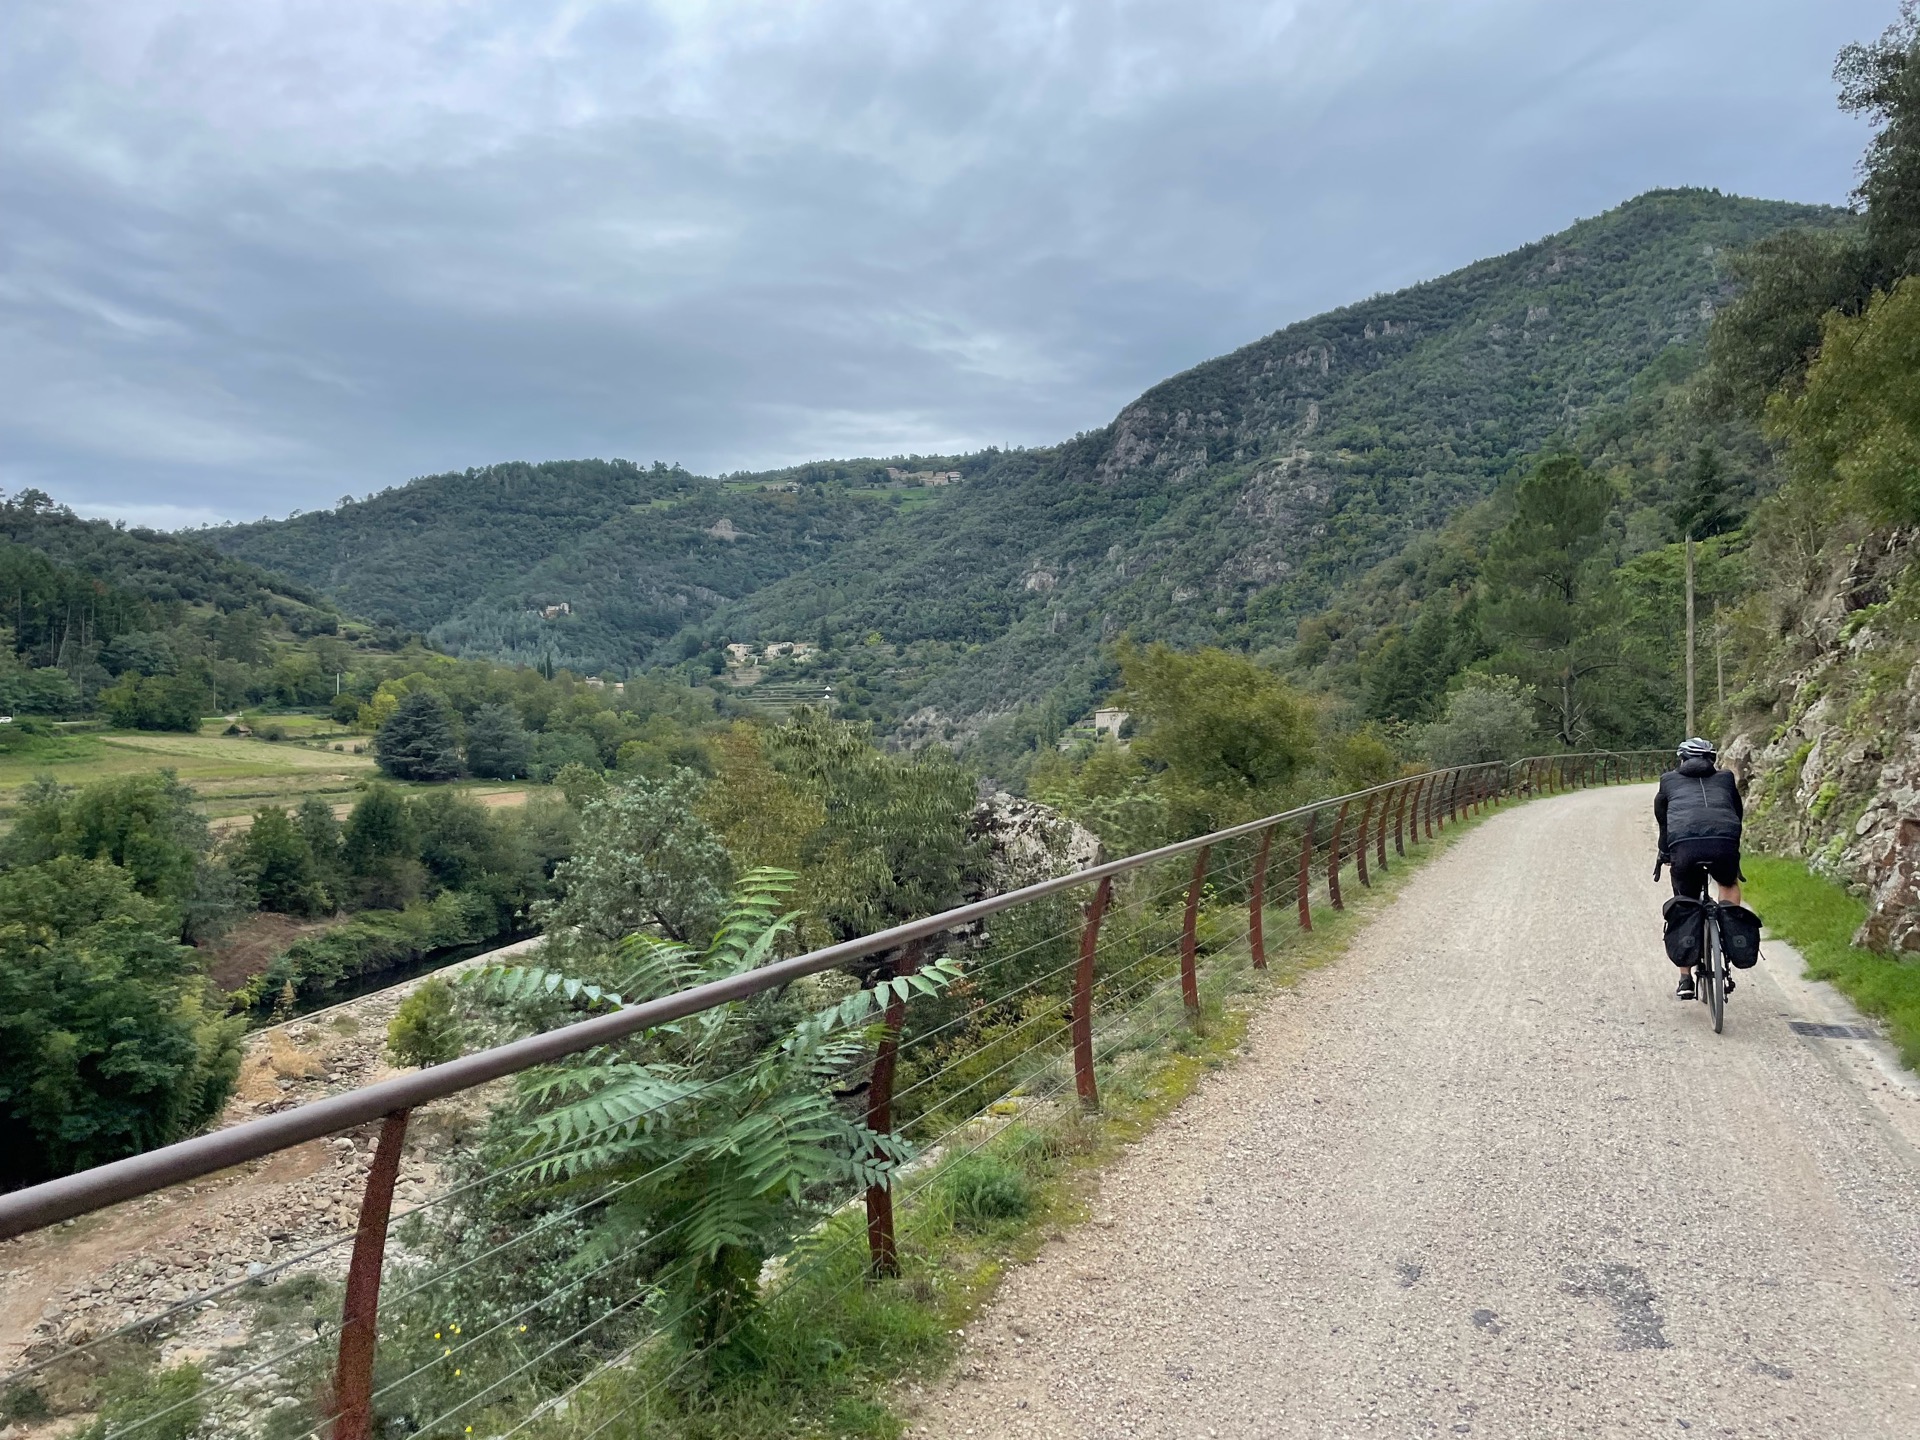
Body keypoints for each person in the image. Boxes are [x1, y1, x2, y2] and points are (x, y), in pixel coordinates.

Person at [1654, 737, 1744, 1000]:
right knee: (1728, 883)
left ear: (1682, 760)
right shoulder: (1726, 779)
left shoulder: (1668, 780)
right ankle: (1728, 932)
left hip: (1684, 848)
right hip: (1724, 843)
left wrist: (1665, 853)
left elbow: (1663, 821)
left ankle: (1685, 979)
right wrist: (1731, 845)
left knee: (1685, 902)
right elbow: (1737, 814)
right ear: (1711, 759)